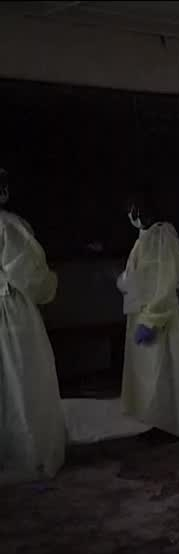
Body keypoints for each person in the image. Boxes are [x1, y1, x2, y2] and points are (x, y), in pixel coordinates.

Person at [119, 197, 179, 443]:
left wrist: (152, 319)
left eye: (135, 210)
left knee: (165, 374)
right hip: (143, 315)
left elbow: (166, 281)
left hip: (161, 318)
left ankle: (172, 424)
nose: (132, 215)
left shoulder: (163, 236)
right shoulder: (143, 238)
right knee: (149, 375)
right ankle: (154, 421)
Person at [0, 167, 66, 484]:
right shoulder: (9, 225)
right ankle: (26, 454)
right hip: (10, 312)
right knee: (19, 378)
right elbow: (31, 277)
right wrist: (50, 284)